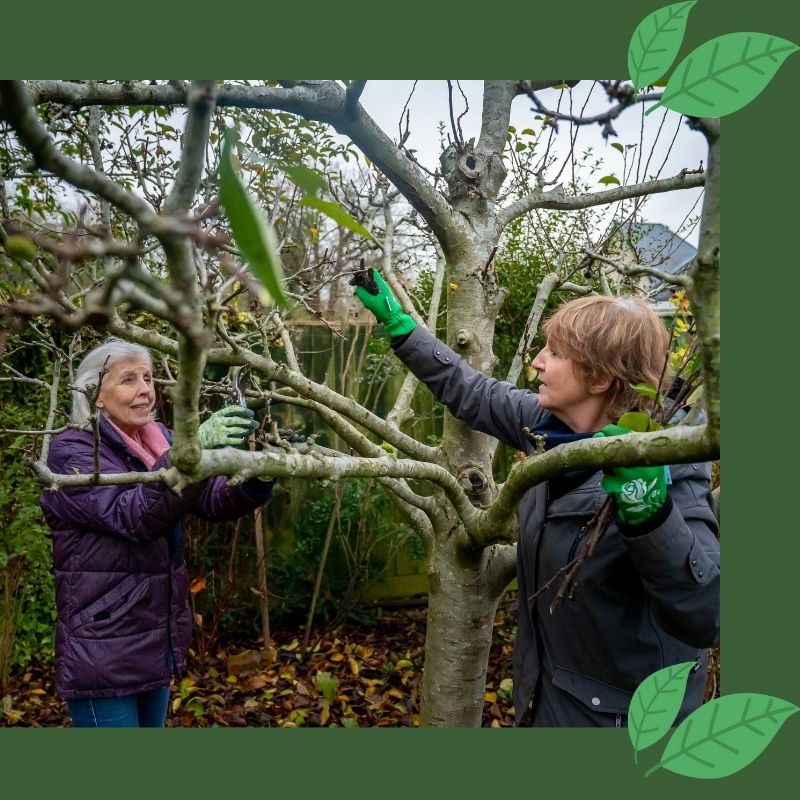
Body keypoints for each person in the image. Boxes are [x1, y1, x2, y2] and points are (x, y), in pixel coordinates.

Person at [354, 269, 719, 727]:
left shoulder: (672, 465)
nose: (537, 363)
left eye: (555, 353)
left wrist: (651, 513)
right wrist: (403, 330)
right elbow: (473, 392)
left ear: (600, 377)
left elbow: (706, 614)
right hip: (549, 701)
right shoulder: (550, 429)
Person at [39, 338, 272, 727]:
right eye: (128, 379)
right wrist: (189, 447)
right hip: (103, 647)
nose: (145, 389)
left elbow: (210, 500)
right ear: (95, 394)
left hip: (154, 638)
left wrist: (258, 477)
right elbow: (134, 515)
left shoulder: (158, 439)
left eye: (147, 378)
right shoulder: (73, 452)